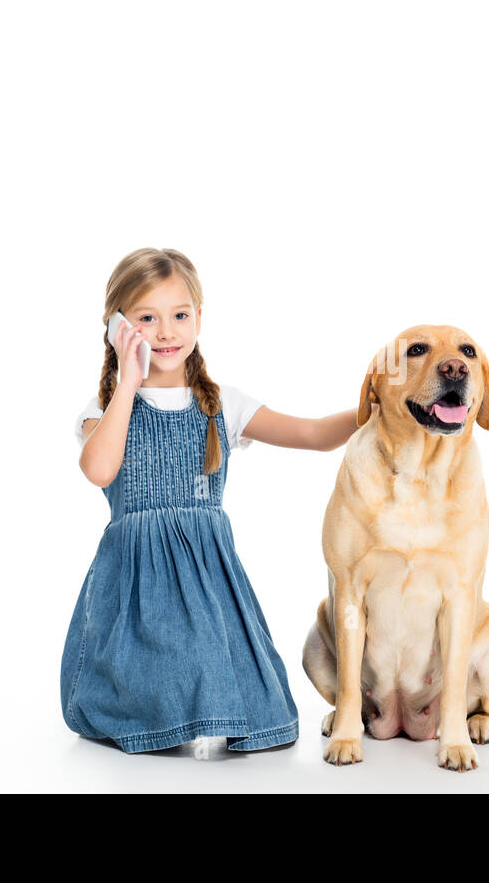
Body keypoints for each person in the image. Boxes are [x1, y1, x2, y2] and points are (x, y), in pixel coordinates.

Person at [60, 247, 364, 758]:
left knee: (223, 662)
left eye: (180, 315)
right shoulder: (108, 407)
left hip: (209, 577)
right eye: (146, 319)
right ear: (117, 327)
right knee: (164, 662)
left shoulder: (223, 403)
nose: (165, 332)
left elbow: (312, 434)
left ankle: (212, 712)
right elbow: (99, 469)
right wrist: (128, 383)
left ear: (199, 318)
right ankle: (161, 714)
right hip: (138, 582)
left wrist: (375, 404)